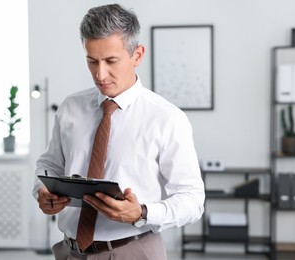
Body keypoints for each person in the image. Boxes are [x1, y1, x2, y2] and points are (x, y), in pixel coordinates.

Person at [32, 4, 205, 260]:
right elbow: (50, 164)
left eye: (111, 61)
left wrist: (142, 213)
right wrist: (42, 192)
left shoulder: (168, 119)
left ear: (137, 55)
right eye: (92, 61)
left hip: (133, 250)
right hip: (70, 252)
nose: (100, 74)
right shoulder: (70, 108)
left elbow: (193, 200)